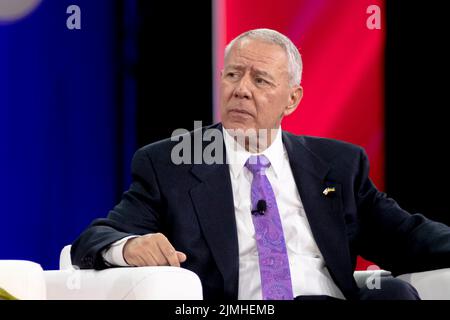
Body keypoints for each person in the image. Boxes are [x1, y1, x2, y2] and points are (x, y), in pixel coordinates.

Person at [71, 29, 450, 300]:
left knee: (396, 294)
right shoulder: (169, 162)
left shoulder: (338, 163)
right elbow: (95, 238)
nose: (242, 89)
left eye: (261, 80)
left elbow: (408, 238)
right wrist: (129, 246)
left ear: (292, 99)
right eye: (233, 75)